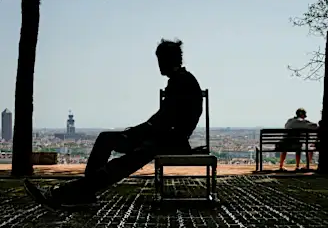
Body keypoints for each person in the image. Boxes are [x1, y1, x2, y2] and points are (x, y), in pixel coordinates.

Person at [24, 38, 203, 212]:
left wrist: (137, 133)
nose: (158, 65)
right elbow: (162, 120)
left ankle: (65, 194)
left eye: (159, 60)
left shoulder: (181, 82)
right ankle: (85, 193)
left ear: (166, 60)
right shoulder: (181, 80)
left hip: (169, 143)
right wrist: (138, 132)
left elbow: (165, 120)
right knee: (106, 139)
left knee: (121, 162)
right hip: (163, 139)